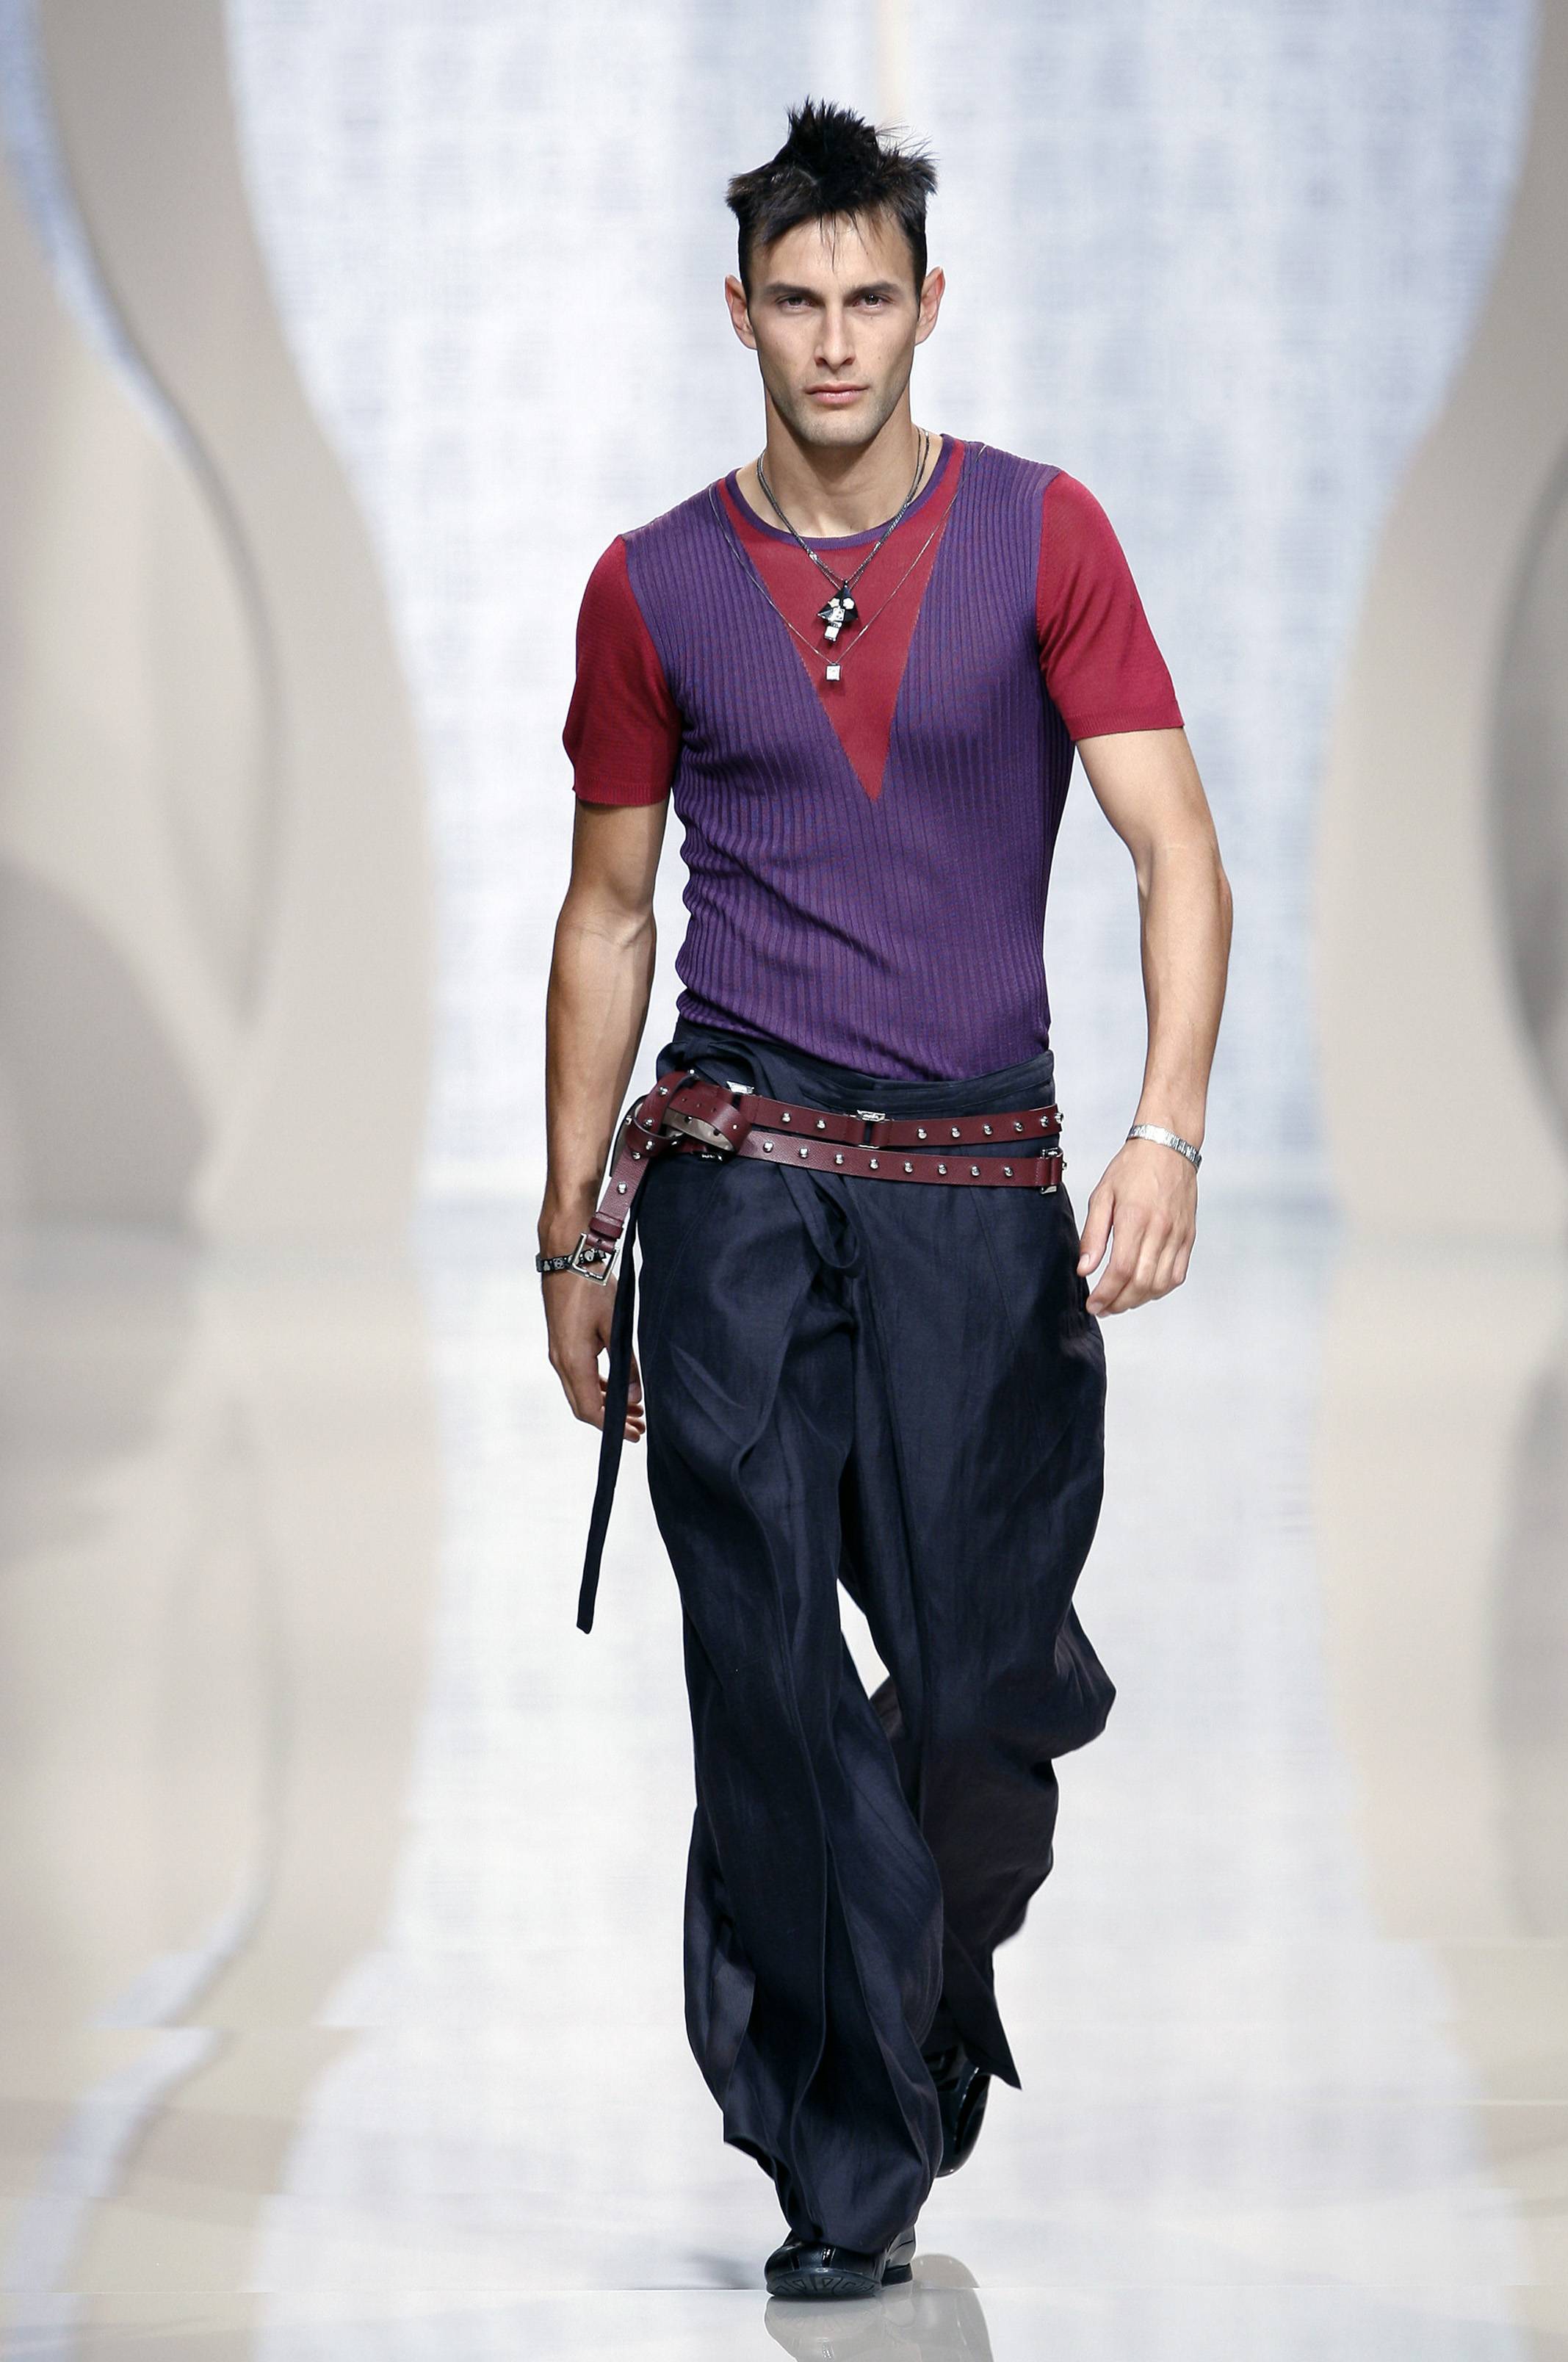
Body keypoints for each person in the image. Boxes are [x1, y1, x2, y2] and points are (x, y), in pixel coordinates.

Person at [538, 99, 1232, 2303]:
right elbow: (605, 916)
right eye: (795, 301)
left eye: (869, 298)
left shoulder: (1043, 537)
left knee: (981, 1696)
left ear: (930, 306)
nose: (833, 340)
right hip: (737, 1187)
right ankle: (843, 2150)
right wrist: (572, 1229)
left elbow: (1176, 850)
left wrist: (1168, 1128)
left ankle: (914, 1995)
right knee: (760, 1672)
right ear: (736, 314)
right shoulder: (650, 585)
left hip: (977, 1197)